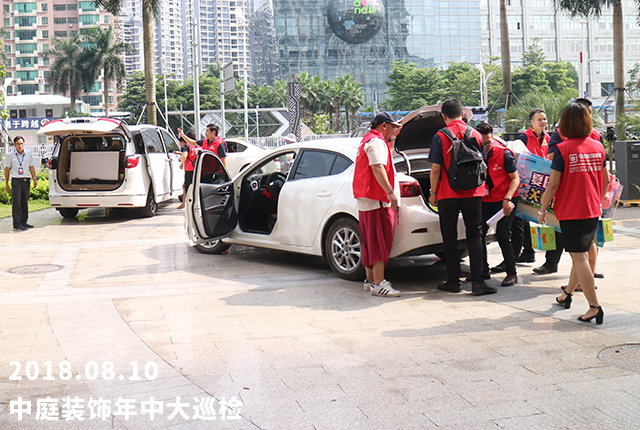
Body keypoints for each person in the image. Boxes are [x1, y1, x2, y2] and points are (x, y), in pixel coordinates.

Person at [537, 102, 609, 324]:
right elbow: (606, 181)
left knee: (579, 257)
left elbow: (553, 185)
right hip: (592, 209)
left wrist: (542, 209)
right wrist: (598, 201)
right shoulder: (598, 147)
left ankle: (594, 306)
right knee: (581, 254)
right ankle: (567, 293)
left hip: (570, 211)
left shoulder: (563, 149)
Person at [429, 99, 496, 296]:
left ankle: (453, 282)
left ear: (444, 116)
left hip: (447, 193)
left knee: (449, 238)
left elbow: (435, 169)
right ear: (463, 114)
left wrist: (433, 193)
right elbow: (483, 162)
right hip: (473, 193)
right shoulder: (475, 134)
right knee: (475, 236)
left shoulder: (440, 136)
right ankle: (478, 283)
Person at [353, 112, 403, 297]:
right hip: (377, 199)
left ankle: (370, 280)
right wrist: (390, 193)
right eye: (392, 127)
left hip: (368, 198)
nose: (394, 131)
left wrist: (393, 138)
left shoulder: (368, 140)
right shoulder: (376, 142)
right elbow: (377, 166)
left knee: (370, 241)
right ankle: (379, 283)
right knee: (379, 242)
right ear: (384, 126)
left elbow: (383, 158)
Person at [476, 123, 520, 287]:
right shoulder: (474, 155)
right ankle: (483, 270)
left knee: (503, 234)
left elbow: (515, 179)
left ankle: (511, 272)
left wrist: (507, 199)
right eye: (483, 144)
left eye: (489, 143)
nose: (486, 147)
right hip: (485, 200)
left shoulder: (504, 154)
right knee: (478, 235)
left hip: (505, 200)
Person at [514, 108, 551, 264]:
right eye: (539, 119)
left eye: (544, 119)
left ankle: (540, 253)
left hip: (544, 182)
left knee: (544, 216)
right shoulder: (523, 138)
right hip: (527, 181)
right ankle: (528, 251)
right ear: (532, 122)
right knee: (524, 217)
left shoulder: (549, 138)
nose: (543, 122)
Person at [4, 136, 38, 231]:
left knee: (24, 202)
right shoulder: (10, 155)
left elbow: (31, 167)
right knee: (17, 202)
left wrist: (34, 179)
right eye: (18, 144)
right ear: (14, 145)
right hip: (16, 180)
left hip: (26, 180)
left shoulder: (28, 153)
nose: (20, 146)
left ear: (24, 144)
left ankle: (23, 222)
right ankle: (17, 224)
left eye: (21, 143)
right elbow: (7, 169)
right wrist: (6, 183)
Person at [176, 129, 200, 210]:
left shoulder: (187, 146)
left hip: (189, 169)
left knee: (188, 186)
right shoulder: (198, 145)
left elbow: (185, 155)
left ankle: (189, 203)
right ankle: (185, 202)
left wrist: (181, 163)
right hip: (198, 168)